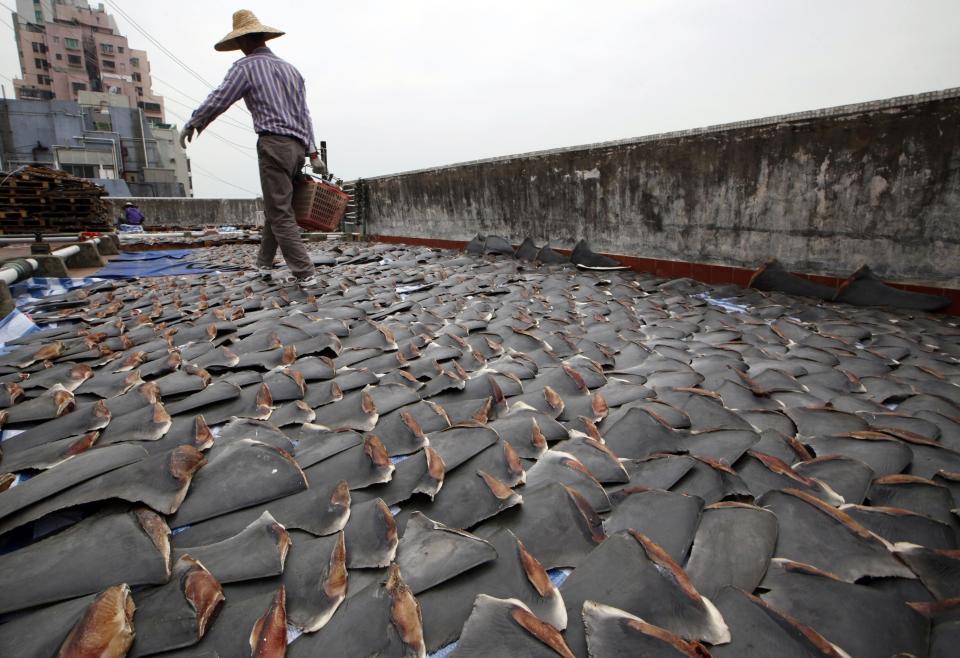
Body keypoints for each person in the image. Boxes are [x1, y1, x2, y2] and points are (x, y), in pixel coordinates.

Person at [179, 9, 325, 287]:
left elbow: (220, 97)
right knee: (277, 205)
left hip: (273, 144)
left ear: (243, 41)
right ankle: (263, 264)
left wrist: (195, 122)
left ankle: (305, 273)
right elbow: (305, 114)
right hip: (297, 149)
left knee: (280, 212)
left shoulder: (245, 67)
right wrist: (313, 152)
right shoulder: (291, 70)